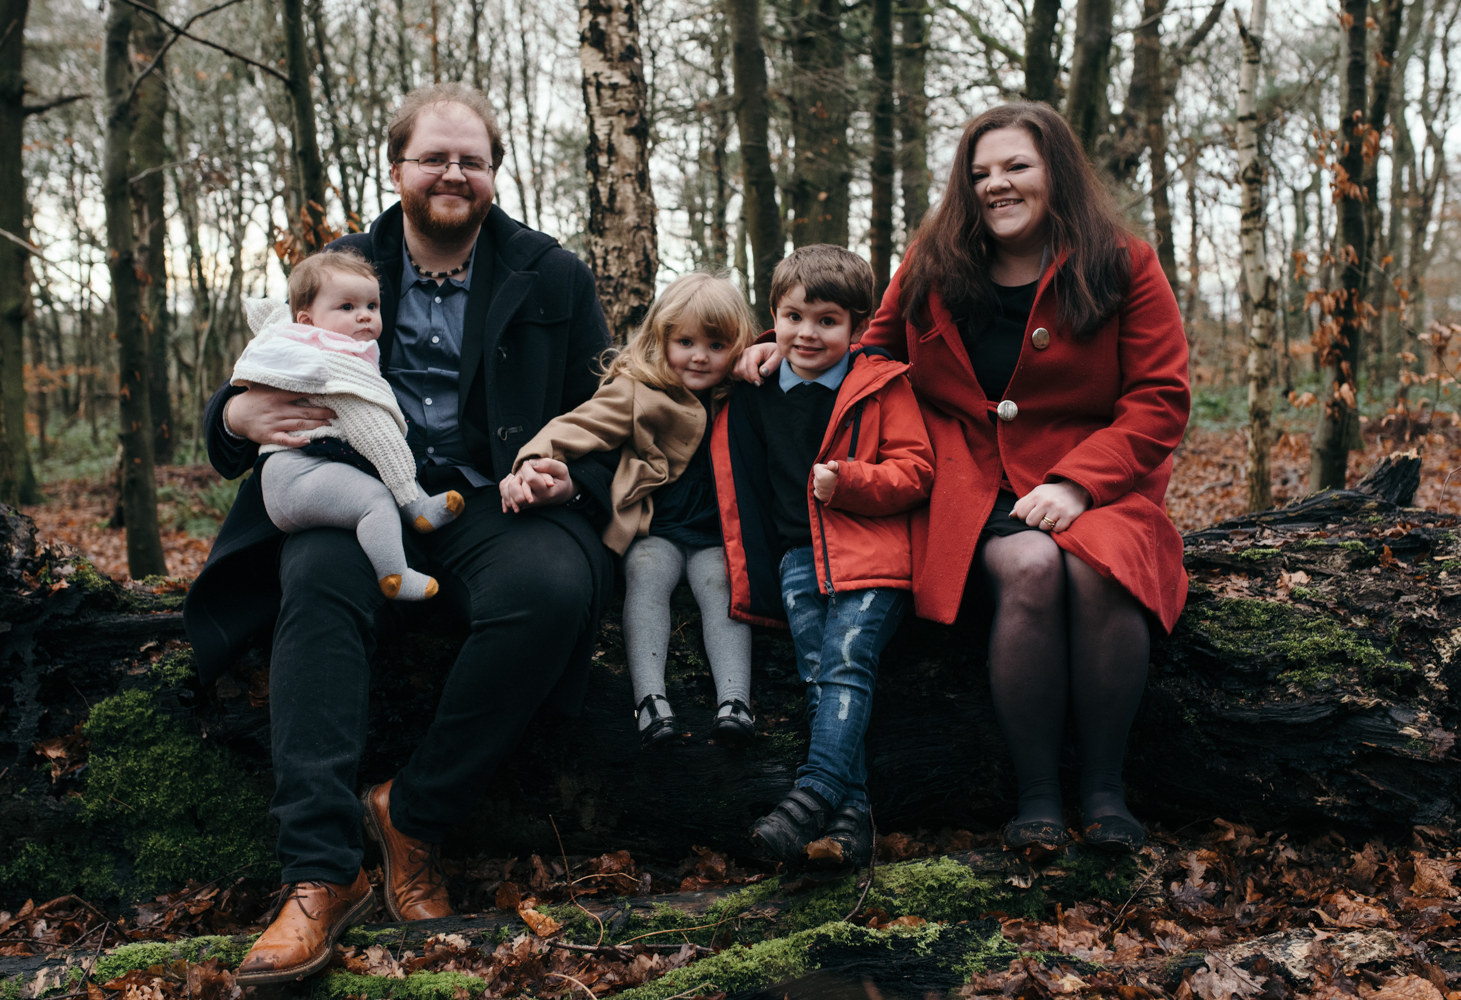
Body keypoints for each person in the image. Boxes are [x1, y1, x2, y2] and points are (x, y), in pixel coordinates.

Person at [183, 82, 614, 985]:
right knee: (315, 588)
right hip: (350, 488)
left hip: (491, 501)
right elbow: (250, 384)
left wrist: (573, 471)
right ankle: (318, 873)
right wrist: (237, 418)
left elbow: (607, 409)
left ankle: (412, 816)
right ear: (398, 169)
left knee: (551, 592)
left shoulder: (552, 273)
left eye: (473, 159)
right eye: (435, 158)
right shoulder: (337, 264)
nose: (454, 173)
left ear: (494, 173)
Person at [737, 103, 1191, 854]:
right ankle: (1037, 794)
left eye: (1015, 166)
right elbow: (869, 347)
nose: (995, 185)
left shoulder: (1122, 261)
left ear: (1056, 173)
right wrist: (775, 349)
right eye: (979, 173)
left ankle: (1104, 789)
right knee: (1029, 564)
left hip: (1096, 478)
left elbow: (1158, 398)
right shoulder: (935, 258)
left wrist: (1077, 483)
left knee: (1101, 571)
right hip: (967, 480)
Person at [715, 245, 935, 867]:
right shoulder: (752, 389)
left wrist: (853, 483)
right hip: (795, 560)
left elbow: (918, 470)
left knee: (844, 661)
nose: (807, 334)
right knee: (818, 674)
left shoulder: (883, 388)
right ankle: (851, 825)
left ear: (859, 327)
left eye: (827, 321)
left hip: (872, 555)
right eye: (793, 318)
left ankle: (811, 795)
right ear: (774, 317)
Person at [501, 273, 760, 749]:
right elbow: (577, 425)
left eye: (717, 344)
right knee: (645, 578)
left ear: (740, 345)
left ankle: (735, 702)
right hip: (653, 526)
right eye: (685, 341)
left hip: (713, 534)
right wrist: (532, 463)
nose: (699, 356)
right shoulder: (637, 390)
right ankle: (650, 701)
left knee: (725, 588)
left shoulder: (744, 393)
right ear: (662, 339)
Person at [233, 252, 466, 602]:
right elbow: (375, 434)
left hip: (308, 471)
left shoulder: (321, 348)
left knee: (376, 477)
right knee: (374, 498)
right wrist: (406, 486)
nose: (364, 315)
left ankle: (418, 510)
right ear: (307, 320)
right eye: (346, 307)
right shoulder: (328, 364)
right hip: (296, 475)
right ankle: (395, 575)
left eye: (372, 306)